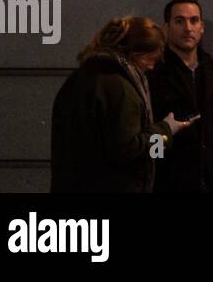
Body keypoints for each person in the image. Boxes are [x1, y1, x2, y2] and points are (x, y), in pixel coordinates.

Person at [51, 16, 192, 192]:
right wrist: (166, 132)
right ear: (135, 54)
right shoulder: (121, 88)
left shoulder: (79, 78)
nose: (151, 67)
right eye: (151, 59)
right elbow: (131, 151)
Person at [148, 0, 213, 192]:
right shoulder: (153, 74)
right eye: (179, 21)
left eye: (194, 21)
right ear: (166, 28)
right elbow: (147, 136)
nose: (188, 28)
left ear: (201, 27)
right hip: (170, 184)